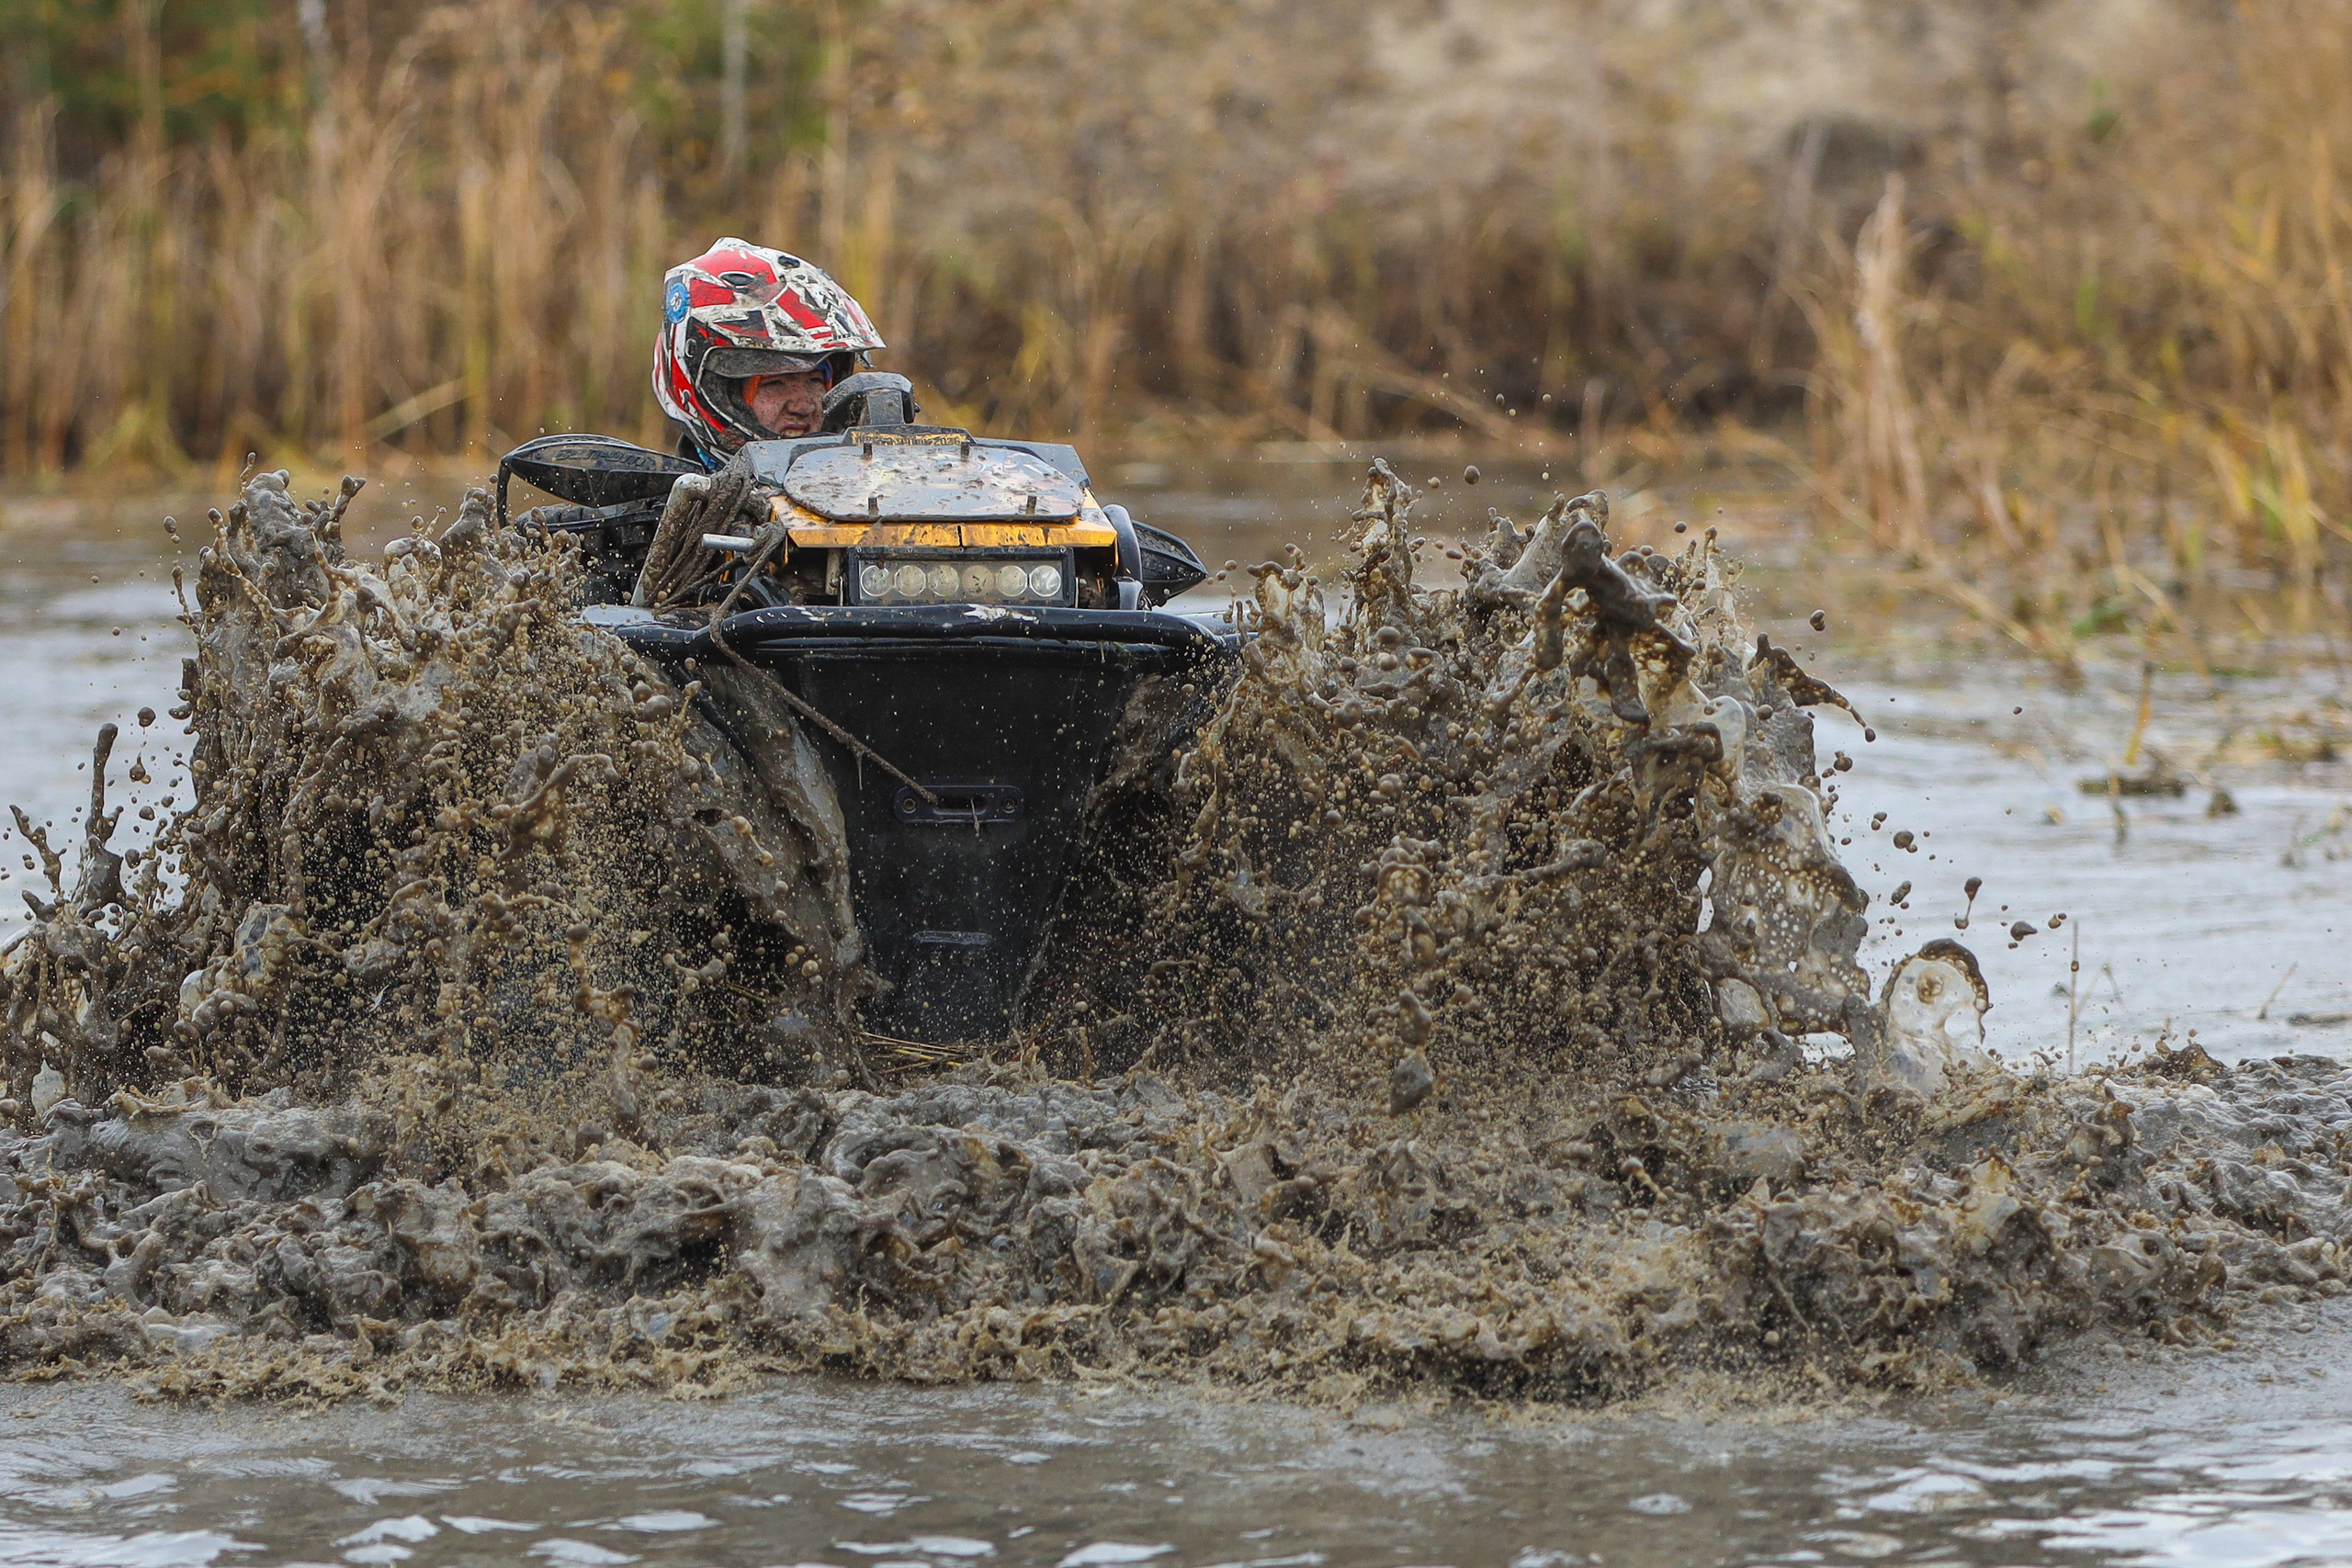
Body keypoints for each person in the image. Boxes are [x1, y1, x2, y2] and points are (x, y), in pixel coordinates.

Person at [651, 238, 887, 466]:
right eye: (774, 384)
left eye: (815, 380)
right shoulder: (663, 502)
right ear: (721, 394)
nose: (803, 406)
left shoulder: (855, 489)